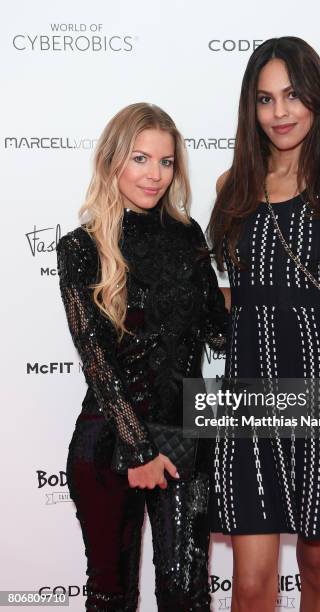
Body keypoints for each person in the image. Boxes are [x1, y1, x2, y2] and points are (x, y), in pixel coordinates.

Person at [207, 37, 320, 612]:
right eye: (265, 99)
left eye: (292, 96)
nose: (280, 113)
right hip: (251, 395)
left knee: (318, 566)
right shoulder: (231, 187)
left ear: (317, 99)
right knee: (253, 582)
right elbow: (241, 297)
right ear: (251, 107)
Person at [56, 102, 228, 611]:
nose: (155, 175)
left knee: (188, 596)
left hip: (183, 435)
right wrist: (137, 451)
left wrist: (281, 298)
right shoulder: (81, 248)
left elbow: (218, 330)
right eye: (140, 158)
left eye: (166, 162)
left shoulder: (187, 235)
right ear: (112, 161)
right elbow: (95, 357)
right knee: (112, 597)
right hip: (110, 441)